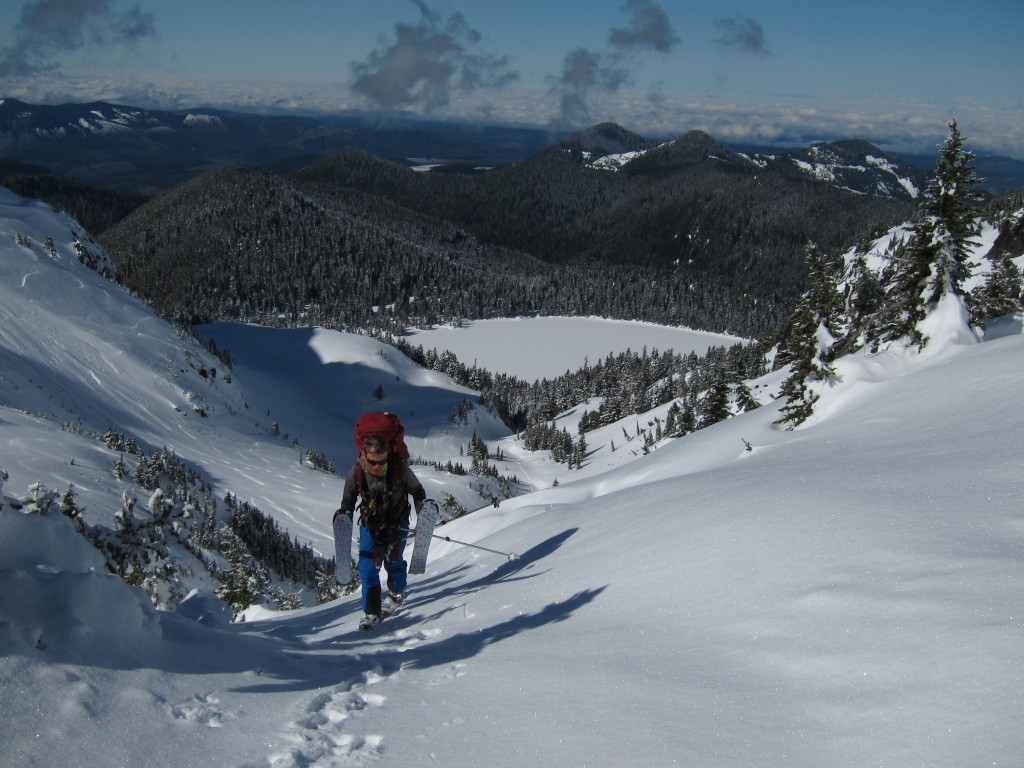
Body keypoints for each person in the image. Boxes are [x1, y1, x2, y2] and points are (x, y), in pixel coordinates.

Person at [335, 432, 426, 631]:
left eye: (381, 462)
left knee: (393, 562)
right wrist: (345, 515)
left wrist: (423, 515)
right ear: (364, 456)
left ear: (387, 457)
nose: (376, 467)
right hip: (370, 525)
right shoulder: (357, 472)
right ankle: (371, 611)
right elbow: (348, 501)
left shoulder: (400, 470)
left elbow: (418, 493)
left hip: (397, 524)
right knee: (367, 566)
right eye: (372, 462)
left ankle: (396, 593)